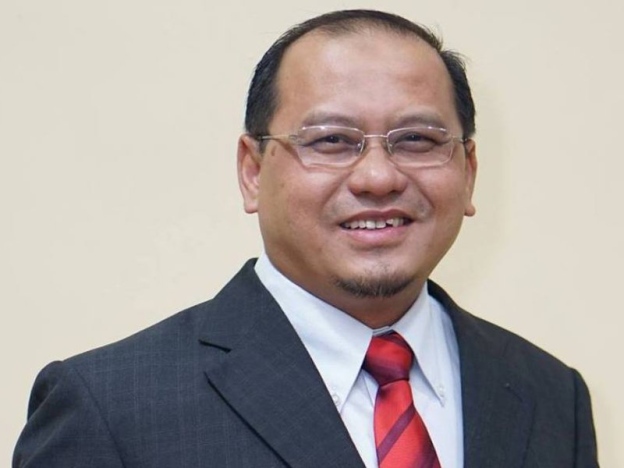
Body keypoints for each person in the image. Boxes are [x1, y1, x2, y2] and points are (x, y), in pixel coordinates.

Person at [13, 9, 598, 468]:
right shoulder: (111, 407)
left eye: (417, 140)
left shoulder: (551, 395)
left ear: (468, 171)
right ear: (252, 171)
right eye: (331, 141)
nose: (378, 178)